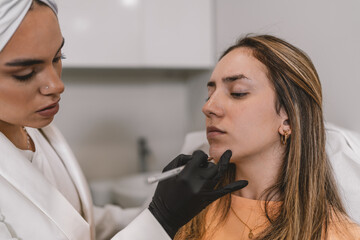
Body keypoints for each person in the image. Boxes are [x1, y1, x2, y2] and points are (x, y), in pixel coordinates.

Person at [0, 1, 248, 239]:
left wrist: (160, 210)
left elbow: (76, 224)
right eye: (25, 73)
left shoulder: (37, 130)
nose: (57, 85)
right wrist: (162, 218)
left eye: (58, 58)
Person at [174, 35, 360, 239]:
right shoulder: (186, 214)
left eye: (237, 93)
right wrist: (159, 218)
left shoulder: (338, 234)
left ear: (288, 119)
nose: (208, 107)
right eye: (209, 96)